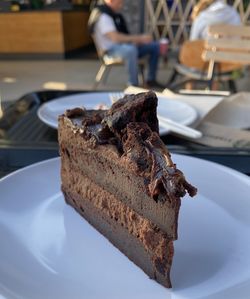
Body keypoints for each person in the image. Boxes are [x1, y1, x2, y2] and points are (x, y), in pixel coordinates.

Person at [88, 0, 164, 88]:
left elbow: (123, 37)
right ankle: (133, 84)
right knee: (130, 50)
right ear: (110, 1)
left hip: (124, 46)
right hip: (110, 51)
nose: (121, 6)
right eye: (119, 3)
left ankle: (151, 80)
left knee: (154, 46)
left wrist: (136, 41)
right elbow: (115, 38)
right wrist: (139, 38)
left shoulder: (113, 15)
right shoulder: (103, 16)